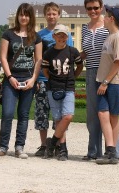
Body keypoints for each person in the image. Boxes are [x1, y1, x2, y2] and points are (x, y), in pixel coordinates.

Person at [0, 3, 42, 159]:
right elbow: (3, 57)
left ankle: (19, 146)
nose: (24, 17)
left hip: (28, 79)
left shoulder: (36, 37)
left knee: (23, 114)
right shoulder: (8, 34)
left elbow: (39, 60)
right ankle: (3, 146)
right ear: (17, 16)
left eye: (27, 15)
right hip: (12, 78)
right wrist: (9, 77)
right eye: (21, 14)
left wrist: (33, 80)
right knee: (7, 113)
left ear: (30, 17)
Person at [80, 0, 119, 161]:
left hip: (107, 72)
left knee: (110, 113)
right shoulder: (85, 28)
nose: (93, 11)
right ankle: (94, 151)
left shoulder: (108, 25)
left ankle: (114, 151)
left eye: (96, 8)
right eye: (89, 8)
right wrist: (74, 57)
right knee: (93, 114)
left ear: (101, 7)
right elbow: (86, 52)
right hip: (91, 71)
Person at [34, 2, 74, 157]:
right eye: (49, 14)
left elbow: (69, 56)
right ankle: (44, 145)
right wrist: (36, 78)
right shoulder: (40, 35)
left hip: (60, 80)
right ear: (45, 15)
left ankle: (58, 144)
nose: (51, 16)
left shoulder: (66, 34)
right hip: (44, 79)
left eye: (54, 13)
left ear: (59, 15)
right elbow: (37, 58)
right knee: (42, 113)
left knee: (61, 115)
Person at [41, 24, 83, 161]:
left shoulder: (73, 51)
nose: (61, 37)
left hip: (68, 87)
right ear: (54, 36)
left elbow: (79, 66)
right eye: (59, 34)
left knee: (68, 116)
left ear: (67, 37)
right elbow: (45, 70)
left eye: (64, 35)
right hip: (53, 88)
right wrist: (53, 80)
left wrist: (73, 77)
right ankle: (63, 149)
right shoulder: (48, 53)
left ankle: (52, 143)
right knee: (58, 119)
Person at [95, 5, 119, 165]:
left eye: (106, 15)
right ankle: (110, 149)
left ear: (112, 19)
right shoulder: (110, 36)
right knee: (103, 114)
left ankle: (112, 152)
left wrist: (105, 82)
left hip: (115, 82)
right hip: (105, 82)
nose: (103, 17)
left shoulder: (117, 37)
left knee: (114, 116)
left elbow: (118, 62)